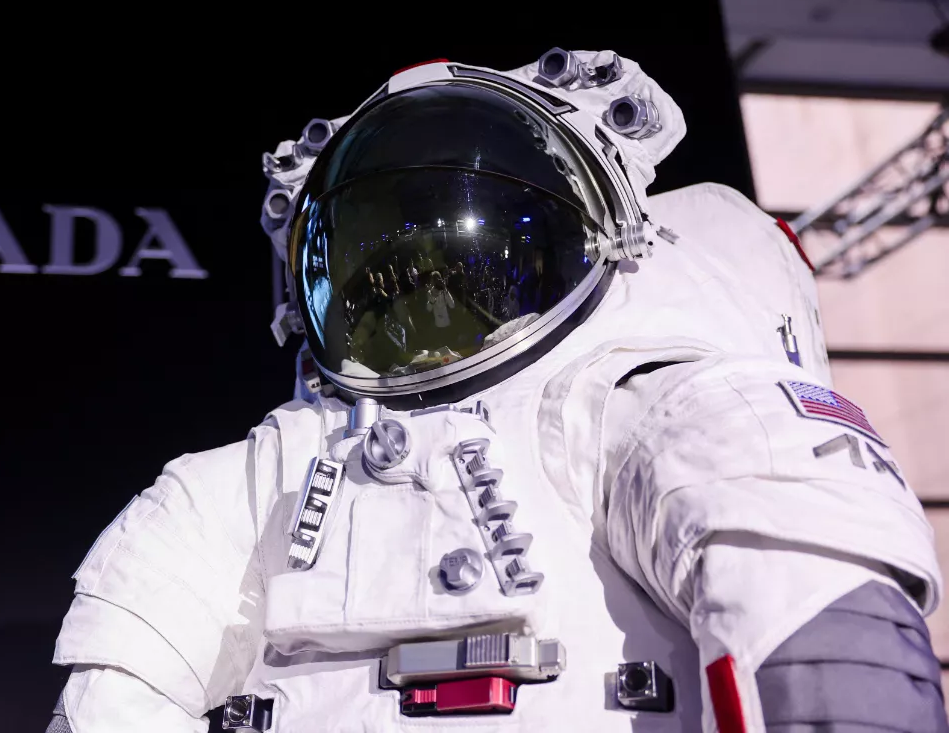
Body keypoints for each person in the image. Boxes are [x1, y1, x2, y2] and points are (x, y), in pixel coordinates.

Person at [47, 50, 946, 732]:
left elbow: (819, 648)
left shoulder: (646, 406)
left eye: (460, 260)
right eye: (389, 269)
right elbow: (121, 685)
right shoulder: (264, 469)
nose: (428, 295)